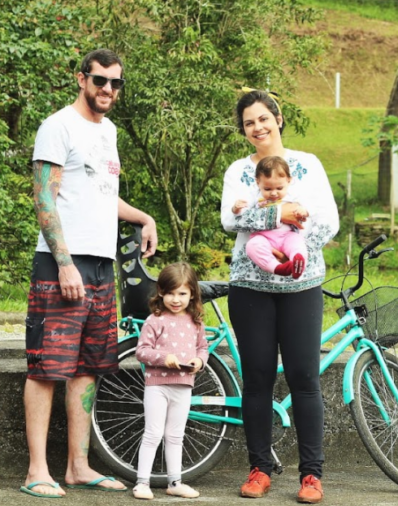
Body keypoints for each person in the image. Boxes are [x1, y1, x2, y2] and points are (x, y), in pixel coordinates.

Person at [21, 48, 159, 499]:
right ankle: (37, 470)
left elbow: (102, 196)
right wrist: (63, 263)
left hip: (102, 266)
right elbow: (45, 199)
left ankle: (78, 466)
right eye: (100, 80)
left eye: (116, 83)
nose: (108, 90)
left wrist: (143, 218)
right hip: (63, 263)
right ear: (82, 79)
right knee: (46, 368)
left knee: (88, 368)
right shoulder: (58, 126)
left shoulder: (109, 132)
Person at [221, 90, 339, 503]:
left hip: (301, 287)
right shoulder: (238, 171)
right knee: (257, 379)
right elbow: (229, 219)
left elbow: (328, 222)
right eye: (249, 122)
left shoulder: (308, 165)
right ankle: (259, 469)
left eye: (263, 118)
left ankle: (311, 475)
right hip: (249, 288)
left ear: (278, 117)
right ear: (244, 130)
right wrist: (279, 214)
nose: (258, 127)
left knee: (305, 378)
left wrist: (291, 240)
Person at [132, 262, 208, 500]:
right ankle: (142, 483)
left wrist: (199, 361)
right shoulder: (155, 320)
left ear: (192, 294)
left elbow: (202, 348)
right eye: (171, 293)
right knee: (153, 433)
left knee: (176, 435)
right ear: (161, 293)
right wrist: (165, 358)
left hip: (184, 386)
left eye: (182, 293)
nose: (176, 299)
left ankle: (175, 481)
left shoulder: (195, 322)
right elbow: (142, 351)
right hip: (158, 385)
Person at [232, 155, 309, 278]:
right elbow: (244, 215)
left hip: (287, 235)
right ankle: (277, 268)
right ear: (258, 182)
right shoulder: (254, 196)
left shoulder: (293, 196)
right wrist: (236, 208)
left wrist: (303, 211)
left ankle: (297, 262)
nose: (274, 193)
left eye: (279, 188)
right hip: (263, 237)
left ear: (289, 180)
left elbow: (306, 209)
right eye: (267, 189)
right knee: (252, 246)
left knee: (298, 243)